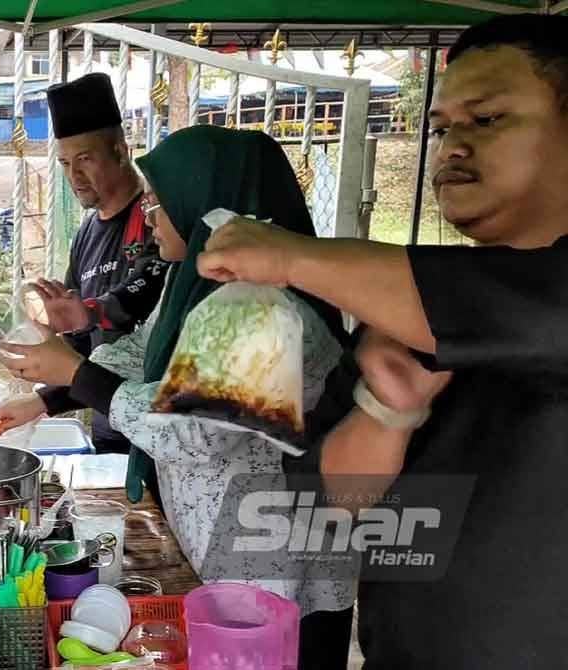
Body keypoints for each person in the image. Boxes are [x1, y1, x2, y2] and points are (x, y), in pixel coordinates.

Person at [195, 14, 568, 668]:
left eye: (486, 120)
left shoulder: (464, 302)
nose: (451, 145)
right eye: (443, 126)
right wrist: (385, 415)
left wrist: (293, 258)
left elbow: (536, 315)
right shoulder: (400, 312)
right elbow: (320, 510)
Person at [0, 126, 356, 667]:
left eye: (161, 205)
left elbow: (192, 431)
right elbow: (147, 356)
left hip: (270, 559)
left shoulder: (258, 308)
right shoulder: (199, 282)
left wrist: (74, 370)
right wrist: (49, 396)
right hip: (227, 547)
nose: (149, 221)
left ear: (207, 205)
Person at [0, 72, 168, 455]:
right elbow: (81, 344)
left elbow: (142, 293)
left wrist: (89, 313)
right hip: (109, 422)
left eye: (85, 159)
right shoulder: (88, 231)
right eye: (65, 163)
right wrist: (42, 384)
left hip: (161, 432)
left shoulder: (158, 219)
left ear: (121, 152)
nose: (74, 175)